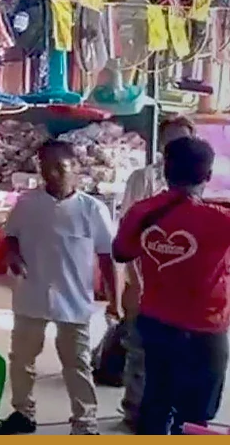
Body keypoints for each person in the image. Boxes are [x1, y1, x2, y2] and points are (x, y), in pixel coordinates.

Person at [0, 139, 120, 436]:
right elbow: (10, 236)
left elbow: (107, 257)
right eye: (45, 168)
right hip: (31, 292)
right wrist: (13, 256)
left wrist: (114, 301)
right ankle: (23, 413)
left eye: (59, 167)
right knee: (22, 359)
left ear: (75, 168)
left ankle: (85, 422)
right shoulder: (27, 204)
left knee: (77, 364)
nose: (52, 174)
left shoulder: (92, 209)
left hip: (74, 299)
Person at [113, 135, 230, 435]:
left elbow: (122, 252)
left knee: (156, 399)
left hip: (157, 321)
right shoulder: (220, 220)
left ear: (165, 170)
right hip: (206, 328)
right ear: (207, 175)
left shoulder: (141, 212)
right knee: (196, 414)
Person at [116, 115, 196, 429]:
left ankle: (172, 413)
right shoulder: (142, 179)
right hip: (147, 278)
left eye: (183, 137)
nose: (177, 143)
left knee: (179, 353)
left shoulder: (201, 180)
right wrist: (132, 282)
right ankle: (135, 410)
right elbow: (127, 234)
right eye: (172, 137)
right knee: (140, 351)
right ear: (161, 144)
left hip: (185, 285)